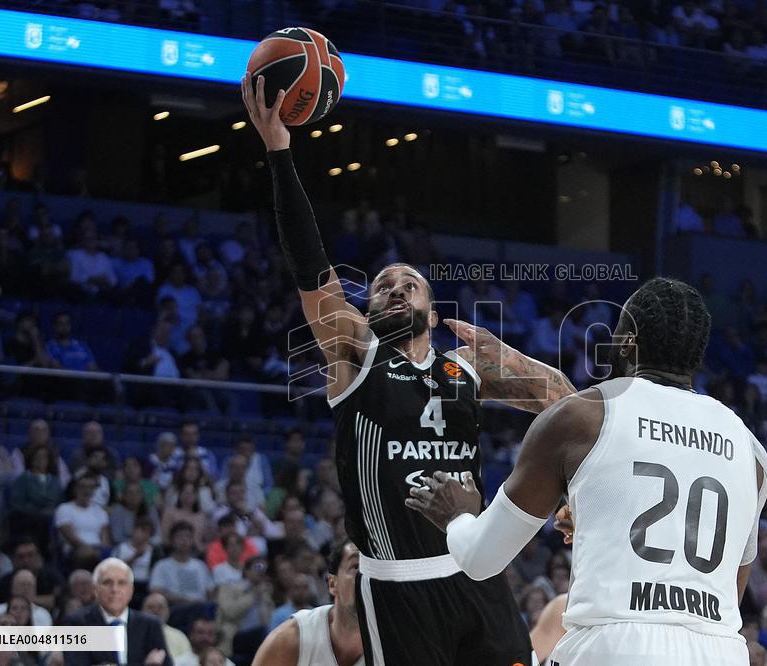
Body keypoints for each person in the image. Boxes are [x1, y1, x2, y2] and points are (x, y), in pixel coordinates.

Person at [242, 72, 576, 666]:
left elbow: (566, 404)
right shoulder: (353, 354)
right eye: (383, 286)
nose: (397, 289)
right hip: (396, 585)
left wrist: (516, 360)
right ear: (366, 309)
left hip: (478, 566)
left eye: (410, 284)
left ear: (432, 307)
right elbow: (309, 267)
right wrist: (279, 155)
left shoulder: (465, 367)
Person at [408, 277, 767, 664]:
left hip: (614, 648)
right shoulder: (752, 451)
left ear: (628, 341)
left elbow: (481, 558)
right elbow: (724, 591)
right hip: (721, 651)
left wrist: (457, 514)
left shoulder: (583, 416)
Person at [252, 540, 363, 666]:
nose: (367, 577)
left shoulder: (388, 641)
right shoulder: (291, 638)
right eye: (356, 566)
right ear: (332, 583)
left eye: (374, 569)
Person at [61, 558, 172, 666]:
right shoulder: (76, 622)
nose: (114, 589)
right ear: (95, 590)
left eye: (122, 583)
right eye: (107, 582)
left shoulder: (150, 625)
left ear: (131, 590)